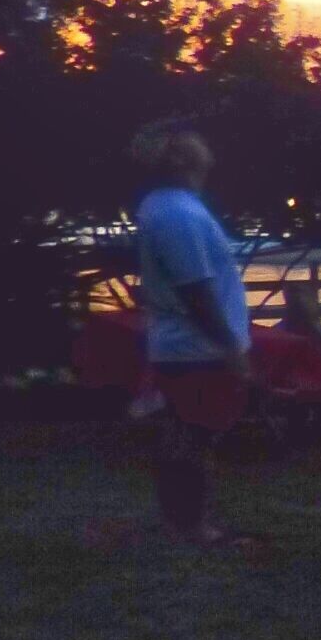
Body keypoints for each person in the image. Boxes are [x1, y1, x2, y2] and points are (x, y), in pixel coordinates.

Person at [131, 123, 254, 548]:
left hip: (185, 345)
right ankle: (194, 527)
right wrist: (229, 346)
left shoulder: (171, 207)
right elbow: (195, 289)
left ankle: (181, 522)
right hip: (196, 349)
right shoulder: (177, 214)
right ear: (183, 159)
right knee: (194, 439)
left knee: (184, 436)